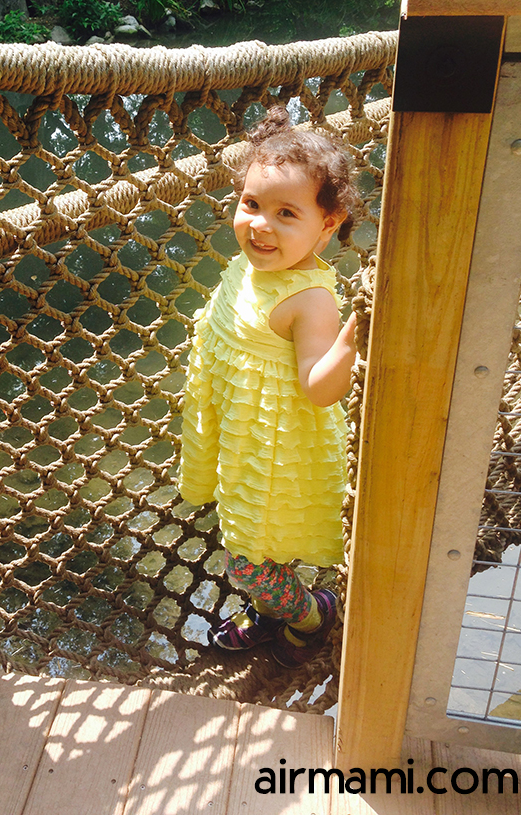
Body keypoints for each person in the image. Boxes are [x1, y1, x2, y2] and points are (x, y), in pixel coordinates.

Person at [178, 107, 360, 667]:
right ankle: (273, 607)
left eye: (287, 214)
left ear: (327, 225)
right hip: (242, 437)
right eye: (252, 205)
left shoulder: (310, 300)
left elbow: (319, 389)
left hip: (278, 452)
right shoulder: (252, 266)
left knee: (247, 561)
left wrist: (356, 338)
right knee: (250, 541)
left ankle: (310, 615)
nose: (260, 225)